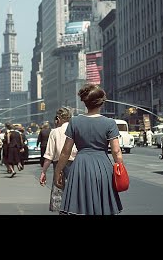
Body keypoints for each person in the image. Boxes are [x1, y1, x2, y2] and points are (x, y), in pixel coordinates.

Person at [53, 83, 124, 215]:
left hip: (80, 167)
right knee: (103, 207)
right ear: (101, 103)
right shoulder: (109, 123)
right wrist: (121, 169)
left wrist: (58, 171)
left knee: (81, 206)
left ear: (85, 103)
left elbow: (65, 152)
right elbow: (116, 151)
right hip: (103, 167)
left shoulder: (75, 122)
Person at [39, 106, 77, 212]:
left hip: (59, 166)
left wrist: (43, 172)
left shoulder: (55, 132)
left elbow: (49, 155)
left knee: (60, 197)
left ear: (58, 118)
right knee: (75, 194)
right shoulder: (76, 129)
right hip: (76, 165)